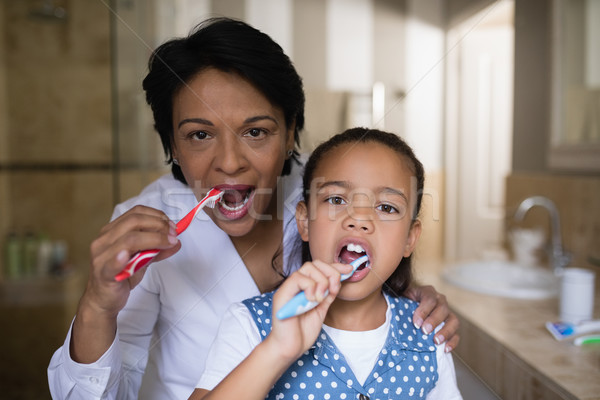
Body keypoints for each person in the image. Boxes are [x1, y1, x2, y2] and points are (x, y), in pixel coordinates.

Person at [47, 18, 459, 399]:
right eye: (199, 135)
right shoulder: (141, 228)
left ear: (290, 130)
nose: (229, 162)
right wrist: (98, 304)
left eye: (256, 131)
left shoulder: (331, 191)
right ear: (171, 144)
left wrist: (412, 302)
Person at [190, 128, 462, 400]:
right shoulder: (249, 325)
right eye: (336, 199)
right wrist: (276, 350)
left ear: (410, 239)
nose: (359, 218)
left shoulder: (429, 336)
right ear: (304, 222)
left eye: (387, 207)